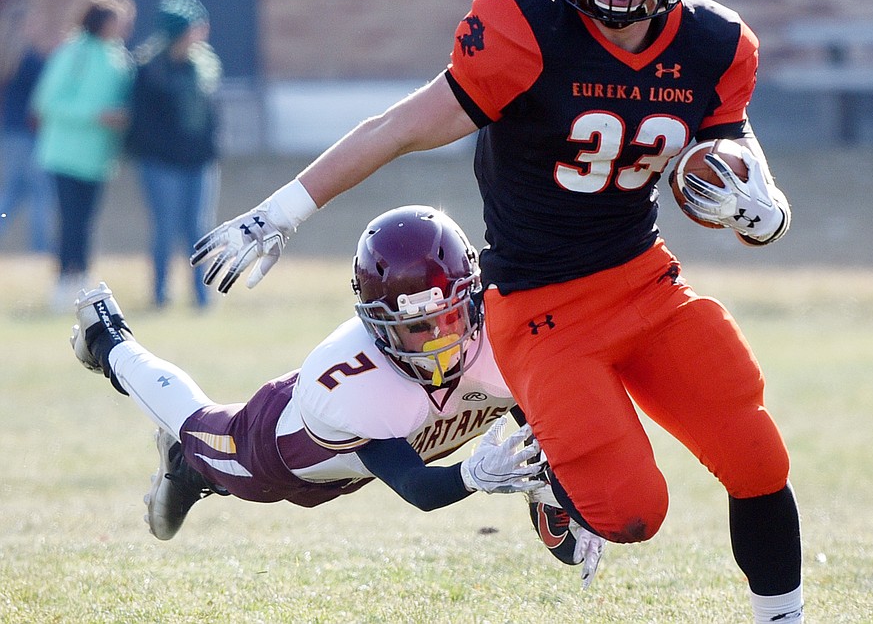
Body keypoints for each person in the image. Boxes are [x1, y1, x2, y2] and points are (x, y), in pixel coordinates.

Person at [191, 0, 801, 623]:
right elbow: (399, 127)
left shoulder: (712, 44)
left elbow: (730, 144)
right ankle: (553, 483)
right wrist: (282, 210)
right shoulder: (525, 29)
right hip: (541, 311)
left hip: (647, 284)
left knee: (757, 455)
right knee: (632, 511)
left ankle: (783, 616)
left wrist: (766, 206)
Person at [72, 206, 604, 584]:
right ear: (378, 326)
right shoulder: (359, 386)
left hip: (358, 464)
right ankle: (107, 341)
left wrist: (562, 496)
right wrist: (472, 476)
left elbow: (541, 419)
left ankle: (185, 467)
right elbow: (416, 484)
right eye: (415, 328)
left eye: (446, 318)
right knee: (197, 424)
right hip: (280, 453)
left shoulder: (504, 330)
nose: (439, 341)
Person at [33, 0, 136, 311]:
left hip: (97, 157)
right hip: (65, 153)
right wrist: (95, 116)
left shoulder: (118, 56)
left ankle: (81, 279)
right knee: (71, 220)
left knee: (86, 221)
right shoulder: (74, 51)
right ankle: (65, 281)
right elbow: (47, 101)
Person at [125, 0, 222, 308]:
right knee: (165, 228)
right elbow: (143, 126)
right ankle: (160, 294)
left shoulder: (204, 68)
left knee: (199, 229)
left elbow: (210, 120)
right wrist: (168, 151)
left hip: (199, 163)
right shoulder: (147, 72)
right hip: (161, 164)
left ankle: (201, 294)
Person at [0, 0, 54, 253]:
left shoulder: (7, 57)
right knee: (40, 194)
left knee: (10, 194)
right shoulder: (31, 60)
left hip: (9, 134)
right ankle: (41, 250)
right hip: (30, 134)